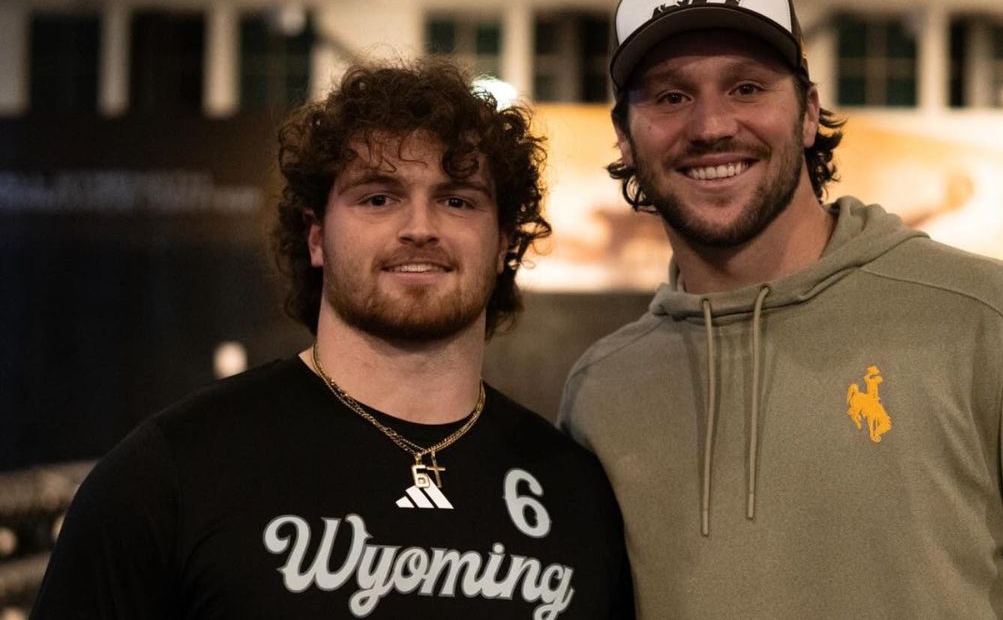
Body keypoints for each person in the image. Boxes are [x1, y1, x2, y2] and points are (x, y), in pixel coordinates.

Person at [558, 0, 1003, 619]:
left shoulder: (994, 321)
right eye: (671, 96)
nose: (711, 126)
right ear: (624, 136)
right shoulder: (604, 391)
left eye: (748, 87)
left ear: (809, 113)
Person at [33, 58, 633, 619]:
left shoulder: (573, 490)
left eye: (456, 199)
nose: (420, 228)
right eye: (378, 197)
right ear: (316, 237)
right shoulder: (172, 473)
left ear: (503, 241)